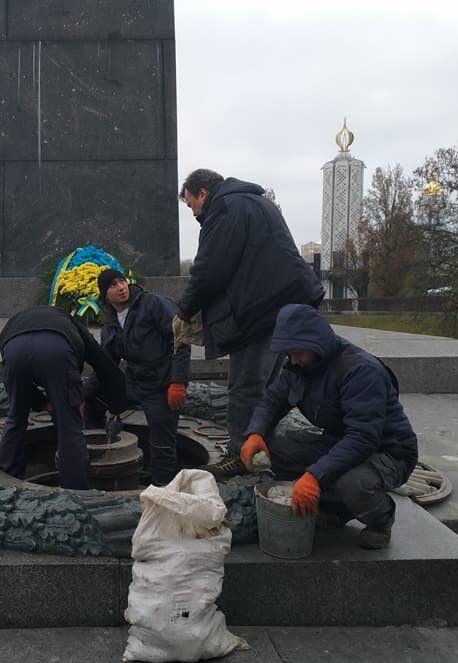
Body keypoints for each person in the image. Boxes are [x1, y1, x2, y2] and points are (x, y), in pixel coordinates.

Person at [240, 304, 419, 549]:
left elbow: (363, 438)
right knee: (277, 449)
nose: (293, 360)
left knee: (353, 483)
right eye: (289, 354)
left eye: (297, 353)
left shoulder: (360, 371)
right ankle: (336, 510)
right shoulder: (300, 365)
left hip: (388, 452)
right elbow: (272, 400)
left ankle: (381, 519)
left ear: (316, 344)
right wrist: (255, 433)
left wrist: (314, 477)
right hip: (340, 441)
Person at [177, 169, 325, 461]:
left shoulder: (223, 209)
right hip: (286, 308)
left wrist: (185, 309)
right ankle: (261, 449)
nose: (194, 214)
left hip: (258, 313)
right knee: (270, 388)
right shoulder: (257, 202)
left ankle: (239, 458)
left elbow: (209, 270)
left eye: (191, 204)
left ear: (203, 193)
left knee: (245, 388)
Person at [0, 306, 127, 490]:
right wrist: (116, 407)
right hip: (56, 350)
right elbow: (106, 366)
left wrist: (41, 403)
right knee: (69, 426)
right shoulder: (74, 326)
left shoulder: (20, 318)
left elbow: (15, 376)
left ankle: (6, 484)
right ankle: (75, 492)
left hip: (13, 349)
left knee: (16, 417)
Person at [88, 268, 191, 485]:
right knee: (92, 401)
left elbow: (180, 339)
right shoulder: (110, 321)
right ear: (105, 294)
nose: (121, 287)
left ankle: (164, 491)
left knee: (162, 445)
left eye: (121, 281)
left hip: (162, 384)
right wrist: (84, 395)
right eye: (113, 285)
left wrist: (178, 382)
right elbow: (106, 364)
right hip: (135, 382)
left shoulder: (153, 304)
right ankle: (101, 448)